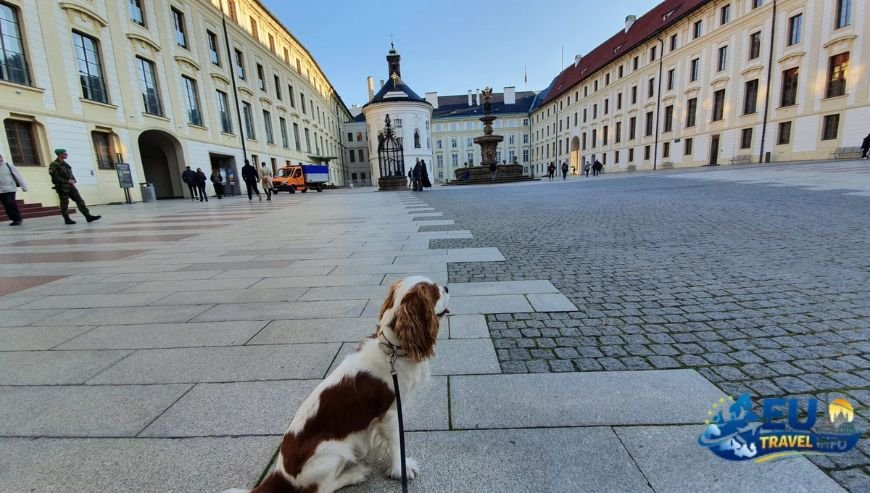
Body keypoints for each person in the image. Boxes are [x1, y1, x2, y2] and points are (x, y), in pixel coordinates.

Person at [48, 149, 100, 225]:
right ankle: (67, 219)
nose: (66, 154)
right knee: (64, 203)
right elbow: (55, 177)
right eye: (64, 153)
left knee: (80, 200)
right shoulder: (54, 164)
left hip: (71, 186)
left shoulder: (65, 164)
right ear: (59, 154)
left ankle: (88, 216)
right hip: (62, 187)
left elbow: (70, 174)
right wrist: (67, 181)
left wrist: (74, 180)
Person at [0, 152, 28, 226]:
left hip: (10, 189)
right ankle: (14, 219)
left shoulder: (8, 166)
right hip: (1, 191)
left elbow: (18, 176)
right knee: (6, 205)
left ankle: (17, 219)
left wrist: (24, 187)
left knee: (10, 203)